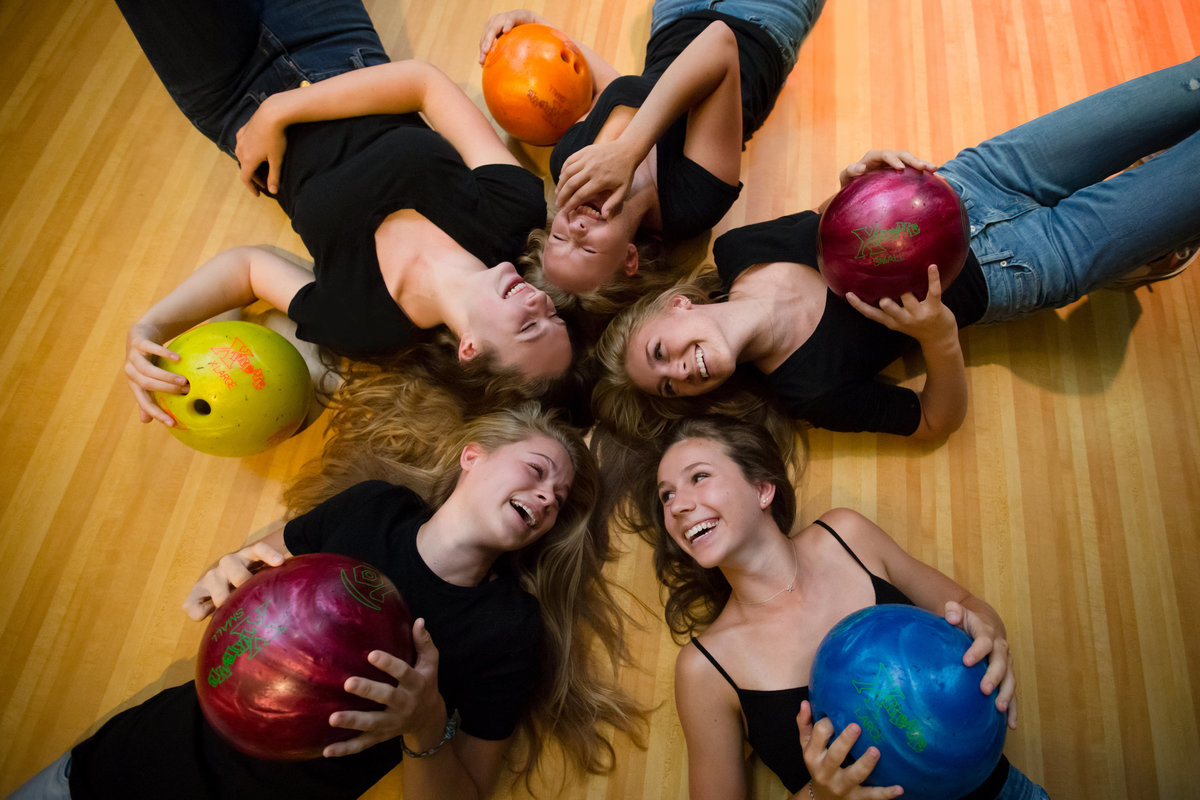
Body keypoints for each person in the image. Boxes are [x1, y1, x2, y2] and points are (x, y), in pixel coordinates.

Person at [9, 404, 646, 799]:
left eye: (558, 502)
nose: (545, 498)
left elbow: (467, 793)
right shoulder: (373, 506)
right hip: (104, 773)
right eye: (537, 470)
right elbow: (250, 567)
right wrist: (224, 574)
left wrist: (424, 723)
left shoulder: (506, 628)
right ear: (472, 458)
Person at [595, 57, 1200, 440]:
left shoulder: (737, 250)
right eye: (671, 387)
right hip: (1026, 267)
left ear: (677, 307)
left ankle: (1147, 241)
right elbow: (937, 422)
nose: (681, 371)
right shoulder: (807, 390)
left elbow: (835, 221)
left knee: (1186, 86)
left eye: (660, 355)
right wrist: (938, 337)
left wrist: (860, 179)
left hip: (977, 178)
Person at [119, 0, 575, 432]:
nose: (539, 301)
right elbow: (424, 84)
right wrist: (279, 112)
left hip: (231, 93)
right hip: (335, 37)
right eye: (552, 313)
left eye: (529, 326)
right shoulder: (515, 214)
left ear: (470, 350)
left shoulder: (365, 327)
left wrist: (152, 325)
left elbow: (249, 269)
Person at [631, 414, 1048, 800]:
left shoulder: (846, 534)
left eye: (698, 477)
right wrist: (819, 795)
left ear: (762, 488)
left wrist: (991, 634)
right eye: (666, 497)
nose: (678, 506)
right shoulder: (703, 669)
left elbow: (969, 607)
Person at [479, 1, 826, 316]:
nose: (577, 228)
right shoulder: (690, 205)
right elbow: (718, 43)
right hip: (763, 18)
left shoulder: (572, 163)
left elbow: (614, 87)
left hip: (675, 14)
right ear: (630, 259)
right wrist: (627, 151)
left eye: (559, 238)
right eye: (586, 251)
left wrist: (540, 30)